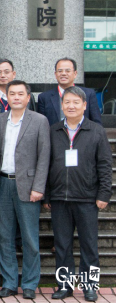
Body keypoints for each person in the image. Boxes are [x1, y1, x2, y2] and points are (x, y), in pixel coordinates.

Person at [45, 86, 111, 302]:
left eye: (76, 102)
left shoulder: (96, 131)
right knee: (62, 245)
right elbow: (46, 164)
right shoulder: (53, 130)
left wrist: (104, 194)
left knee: (89, 245)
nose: (71, 106)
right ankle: (64, 286)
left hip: (87, 198)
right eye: (67, 102)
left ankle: (90, 286)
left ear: (84, 105)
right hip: (60, 198)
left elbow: (104, 165)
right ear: (62, 105)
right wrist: (47, 195)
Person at [0, 80, 50, 299]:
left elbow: (44, 156)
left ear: (28, 97)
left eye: (20, 94)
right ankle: (9, 282)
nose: (16, 97)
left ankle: (30, 284)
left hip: (28, 186)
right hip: (2, 183)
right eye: (12, 93)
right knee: (3, 236)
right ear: (6, 97)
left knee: (30, 238)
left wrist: (39, 187)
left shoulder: (39, 120)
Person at [37, 57, 102, 126]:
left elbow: (96, 123)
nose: (63, 74)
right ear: (55, 74)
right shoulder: (44, 97)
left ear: (75, 73)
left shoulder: (88, 94)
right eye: (60, 71)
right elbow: (41, 125)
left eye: (67, 71)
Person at [0, 59, 36, 128]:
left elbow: (34, 120)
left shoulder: (27, 96)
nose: (2, 75)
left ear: (13, 74)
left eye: (6, 72)